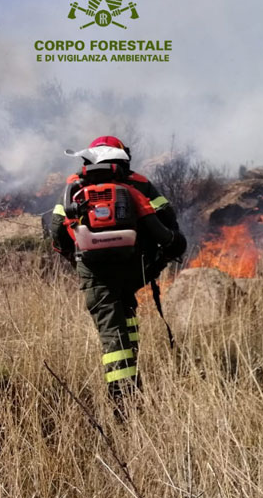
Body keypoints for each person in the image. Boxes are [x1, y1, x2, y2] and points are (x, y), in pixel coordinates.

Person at [49, 136, 187, 403]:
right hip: (134, 267)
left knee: (112, 334)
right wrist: (159, 259)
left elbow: (57, 231)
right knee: (127, 311)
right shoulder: (140, 183)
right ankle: (130, 385)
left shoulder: (74, 185)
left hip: (95, 271)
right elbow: (168, 222)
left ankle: (123, 403)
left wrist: (78, 260)